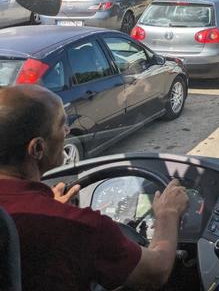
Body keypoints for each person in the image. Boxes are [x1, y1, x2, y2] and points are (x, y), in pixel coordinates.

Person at [0, 85, 189, 291]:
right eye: (61, 123)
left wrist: (47, 206)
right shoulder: (76, 226)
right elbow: (155, 271)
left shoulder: (27, 214)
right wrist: (168, 214)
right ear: (37, 148)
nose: (67, 130)